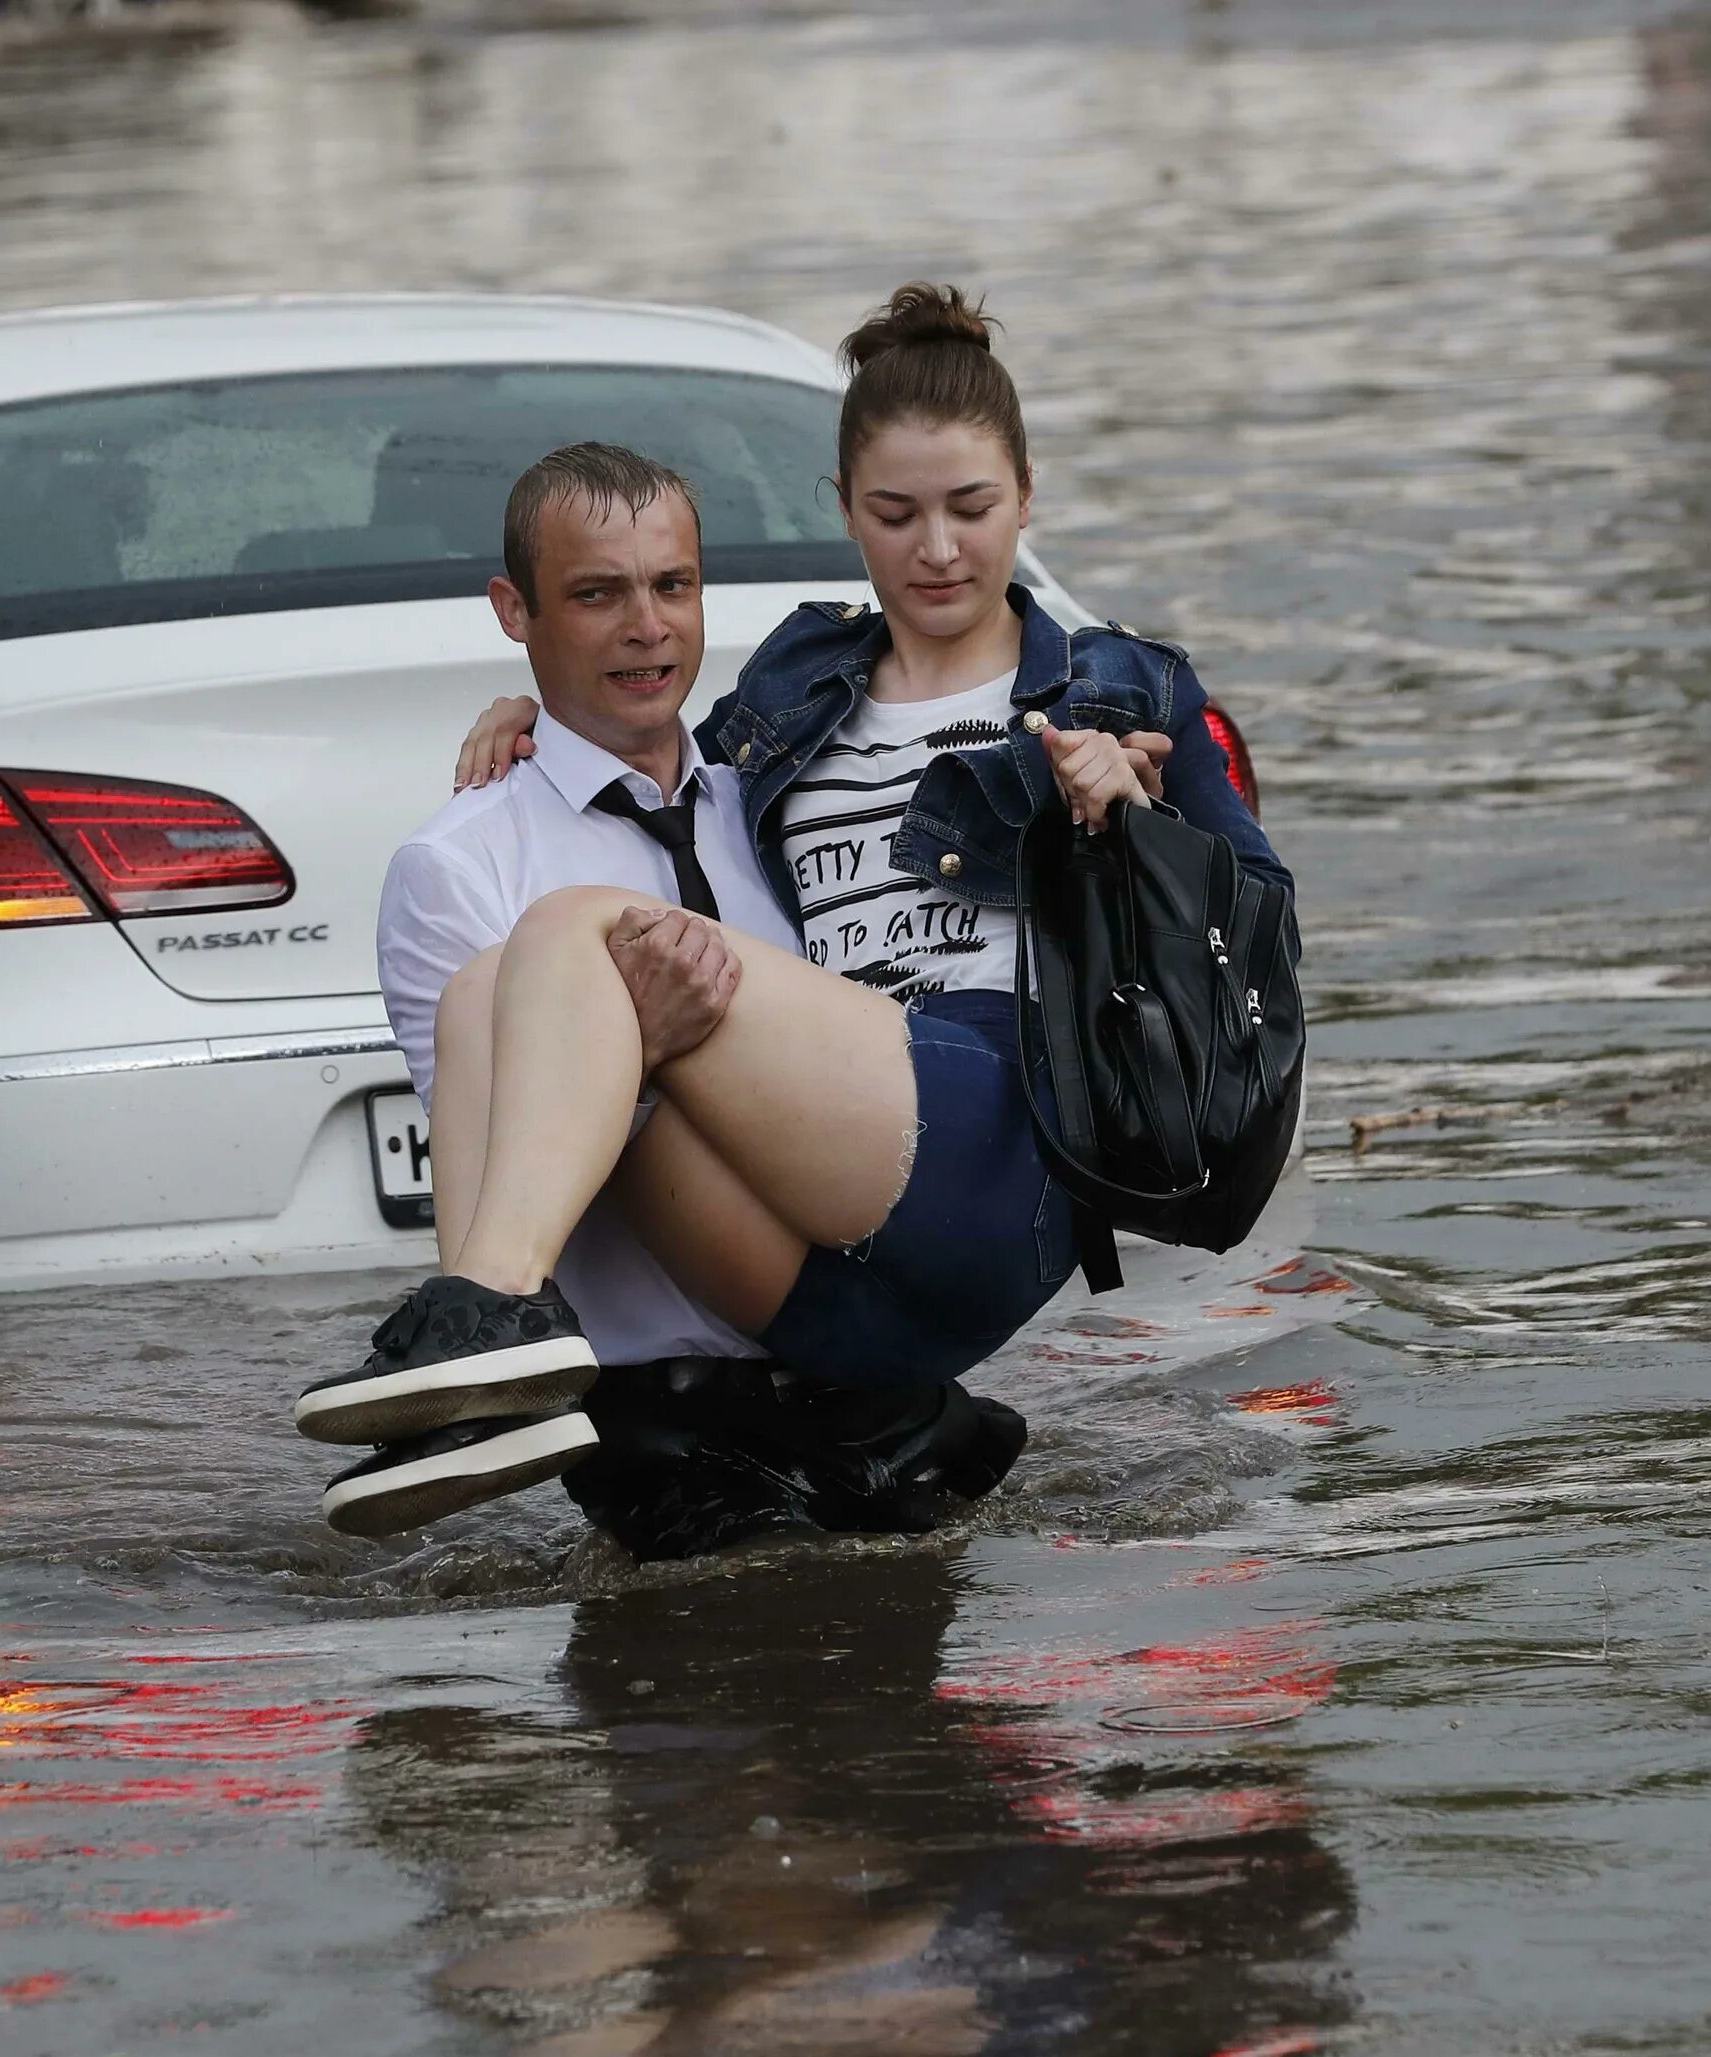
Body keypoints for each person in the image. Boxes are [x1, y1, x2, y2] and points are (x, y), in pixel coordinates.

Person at [300, 284, 1293, 1544]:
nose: (936, 548)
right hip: (833, 1273)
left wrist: (1130, 822)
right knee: (485, 989)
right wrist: (533, 719)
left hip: (994, 1136)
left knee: (577, 932)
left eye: (971, 509)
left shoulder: (1118, 685)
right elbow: (647, 744)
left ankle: (484, 1303)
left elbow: (1260, 926)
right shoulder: (793, 697)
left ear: (1028, 499)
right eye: (896, 514)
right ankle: (484, 1386)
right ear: (844, 518)